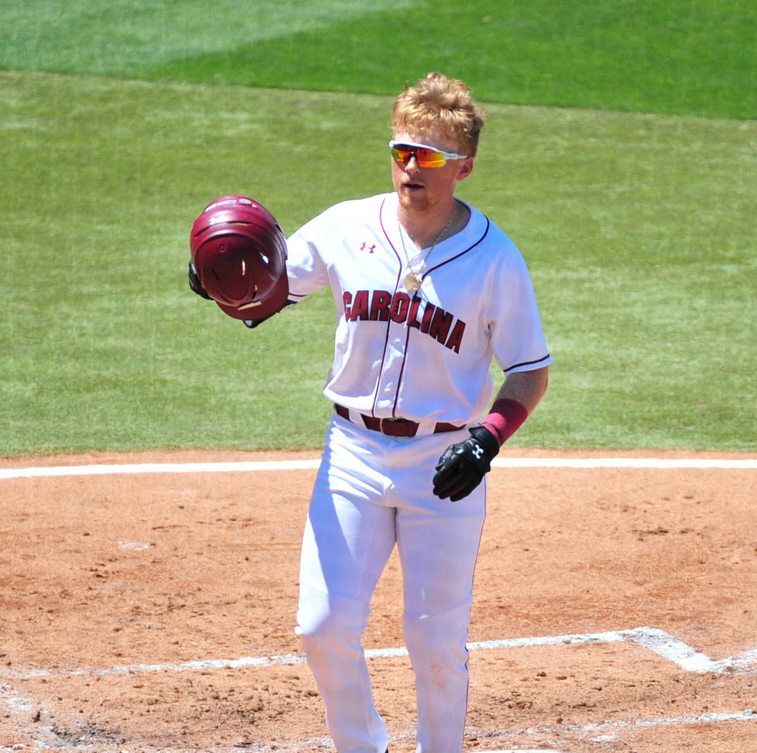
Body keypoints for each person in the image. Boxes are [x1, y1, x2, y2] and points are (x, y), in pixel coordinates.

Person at [194, 73, 550, 752]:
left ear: (465, 167)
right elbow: (268, 286)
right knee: (322, 625)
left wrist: (487, 438)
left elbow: (530, 369)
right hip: (352, 454)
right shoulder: (346, 226)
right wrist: (220, 278)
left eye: (429, 155)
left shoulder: (495, 260)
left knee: (435, 643)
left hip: (444, 466)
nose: (411, 167)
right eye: (402, 151)